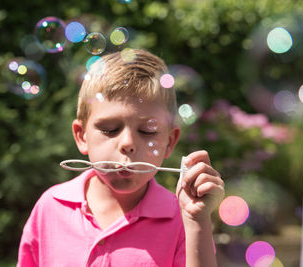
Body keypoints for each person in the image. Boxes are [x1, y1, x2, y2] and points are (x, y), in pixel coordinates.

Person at [17, 49, 225, 267]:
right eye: (109, 129)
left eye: (147, 131)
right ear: (81, 135)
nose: (128, 143)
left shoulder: (184, 219)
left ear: (169, 142)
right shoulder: (51, 207)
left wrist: (196, 222)